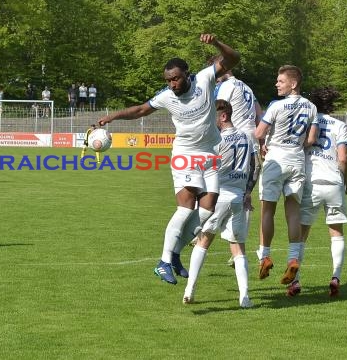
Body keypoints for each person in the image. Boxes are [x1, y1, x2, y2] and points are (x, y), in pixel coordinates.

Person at [98, 33, 240, 285]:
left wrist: (216, 43)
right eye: (168, 80)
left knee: (207, 210)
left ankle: (174, 253)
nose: (172, 84)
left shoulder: (206, 78)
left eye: (176, 78)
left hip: (209, 153)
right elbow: (141, 109)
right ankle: (164, 261)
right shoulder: (166, 96)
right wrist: (114, 116)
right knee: (185, 209)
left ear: (187, 73)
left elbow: (233, 58)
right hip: (184, 155)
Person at [183, 100, 257, 308]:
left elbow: (202, 170)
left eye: (211, 117)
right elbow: (254, 166)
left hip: (218, 197)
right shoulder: (246, 136)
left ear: (223, 116)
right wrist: (248, 191)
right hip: (238, 198)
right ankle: (244, 298)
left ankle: (189, 290)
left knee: (203, 242)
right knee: (238, 249)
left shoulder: (215, 141)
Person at [254, 65, 317, 288]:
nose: (277, 84)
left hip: (276, 159)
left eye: (281, 81)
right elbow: (310, 140)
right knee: (292, 211)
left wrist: (263, 143)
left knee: (267, 209)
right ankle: (292, 258)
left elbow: (259, 133)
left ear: (293, 83)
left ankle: (265, 256)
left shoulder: (276, 106)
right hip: (297, 160)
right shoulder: (311, 107)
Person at [288, 87, 347, 298]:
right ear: (332, 105)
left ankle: (295, 281)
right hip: (333, 182)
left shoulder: (308, 124)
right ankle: (335, 276)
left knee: (302, 234)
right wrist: (345, 179)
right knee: (336, 232)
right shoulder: (340, 125)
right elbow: (342, 158)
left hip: (311, 183)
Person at [211, 57, 263, 267]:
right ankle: (237, 245)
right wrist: (260, 139)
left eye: (215, 73)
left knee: (219, 184)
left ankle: (205, 231)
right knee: (245, 194)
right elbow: (260, 113)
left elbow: (218, 111)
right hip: (250, 142)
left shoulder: (226, 86)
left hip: (234, 142)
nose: (214, 78)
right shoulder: (247, 87)